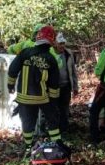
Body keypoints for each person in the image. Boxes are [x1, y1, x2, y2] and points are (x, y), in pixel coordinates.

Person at [8, 26, 64, 155]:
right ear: (51, 41)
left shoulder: (25, 52)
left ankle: (28, 147)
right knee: (52, 121)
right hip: (43, 98)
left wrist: (10, 86)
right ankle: (58, 145)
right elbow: (54, 84)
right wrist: (54, 102)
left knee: (28, 123)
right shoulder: (51, 59)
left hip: (24, 98)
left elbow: (12, 70)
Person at [54, 33, 79, 134]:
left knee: (64, 108)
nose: (62, 46)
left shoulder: (68, 53)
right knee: (55, 109)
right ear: (55, 43)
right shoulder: (51, 54)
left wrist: (75, 86)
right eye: (60, 43)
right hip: (54, 87)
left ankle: (64, 130)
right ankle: (54, 130)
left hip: (66, 86)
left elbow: (73, 71)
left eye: (63, 43)